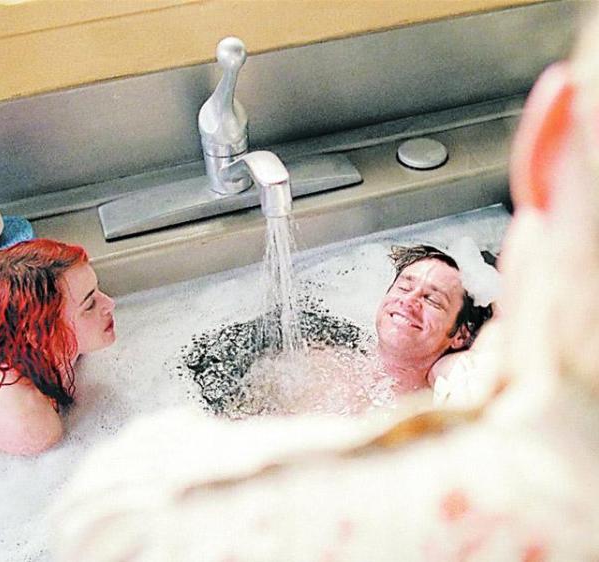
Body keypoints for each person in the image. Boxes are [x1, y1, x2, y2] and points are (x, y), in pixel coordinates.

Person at [50, 9, 599, 560]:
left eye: (433, 299)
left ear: (545, 136)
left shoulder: (454, 401)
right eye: (405, 285)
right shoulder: (316, 364)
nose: (411, 299)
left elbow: (105, 514)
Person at [0, 238, 116, 455]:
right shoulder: (33, 424)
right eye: (90, 304)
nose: (110, 303)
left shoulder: (31, 341)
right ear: (38, 333)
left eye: (98, 290)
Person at [374, 244, 495, 393]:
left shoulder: (457, 391)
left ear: (461, 336)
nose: (408, 301)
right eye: (404, 288)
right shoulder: (347, 344)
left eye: (432, 300)